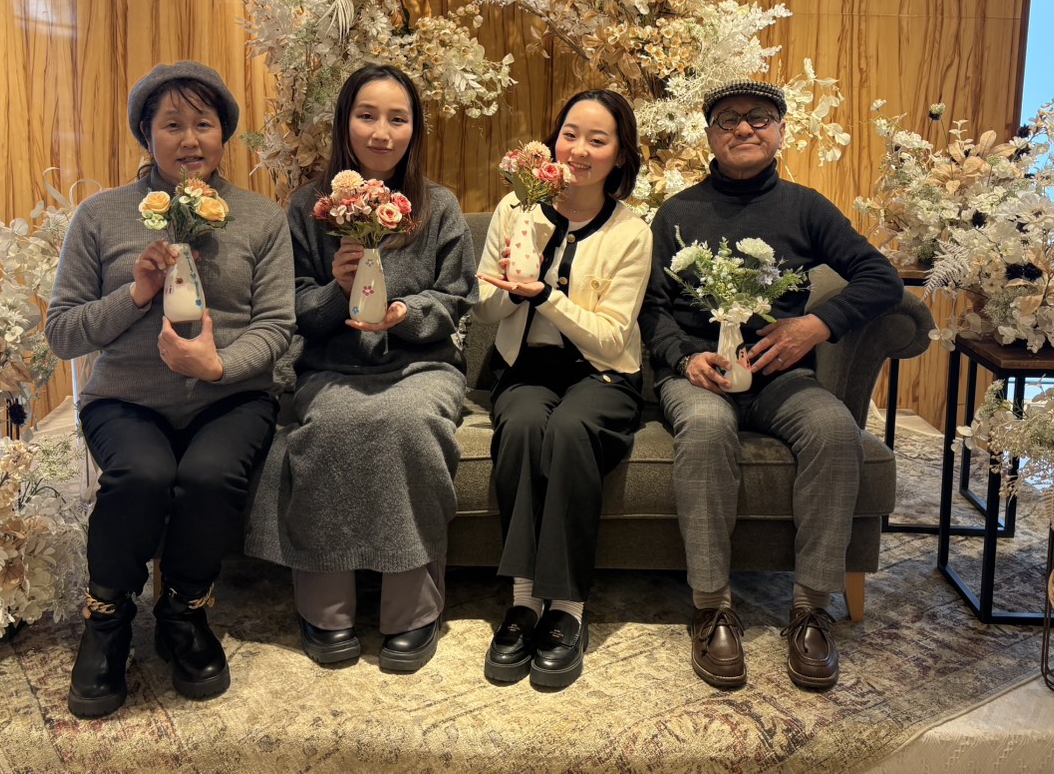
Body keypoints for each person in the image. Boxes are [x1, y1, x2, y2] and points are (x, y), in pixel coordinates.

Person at [46, 61, 297, 719]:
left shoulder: (260, 218)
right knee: (142, 476)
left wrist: (217, 367)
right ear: (146, 134)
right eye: (172, 125)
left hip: (230, 396)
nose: (190, 140)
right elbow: (62, 333)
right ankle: (106, 620)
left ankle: (184, 612)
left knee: (210, 476)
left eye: (204, 124)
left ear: (224, 134)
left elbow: (277, 325)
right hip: (127, 399)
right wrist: (136, 293)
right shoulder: (101, 216)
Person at [638, 79, 902, 691]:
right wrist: (683, 358)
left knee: (834, 429)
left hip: (782, 378)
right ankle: (712, 607)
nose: (743, 128)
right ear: (710, 136)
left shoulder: (806, 208)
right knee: (706, 430)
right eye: (728, 119)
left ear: (781, 132)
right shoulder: (676, 213)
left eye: (760, 117)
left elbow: (881, 279)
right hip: (700, 376)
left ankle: (811, 608)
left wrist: (817, 325)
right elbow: (650, 309)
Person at [245, 64, 476, 674]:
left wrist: (403, 314)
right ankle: (326, 611)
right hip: (333, 368)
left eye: (398, 119)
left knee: (407, 424)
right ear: (345, 123)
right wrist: (336, 290)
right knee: (330, 427)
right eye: (367, 116)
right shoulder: (308, 209)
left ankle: (412, 612)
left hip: (421, 367)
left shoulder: (439, 207)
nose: (381, 132)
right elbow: (290, 305)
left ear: (414, 130)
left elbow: (458, 299)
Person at [474, 90, 652, 688]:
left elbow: (611, 337)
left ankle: (568, 607)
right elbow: (487, 309)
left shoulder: (631, 231)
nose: (578, 150)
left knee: (572, 430)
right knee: (525, 425)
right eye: (569, 134)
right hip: (527, 367)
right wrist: (514, 280)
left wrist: (547, 295)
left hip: (604, 373)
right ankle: (525, 602)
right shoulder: (516, 208)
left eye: (597, 140)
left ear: (619, 155)